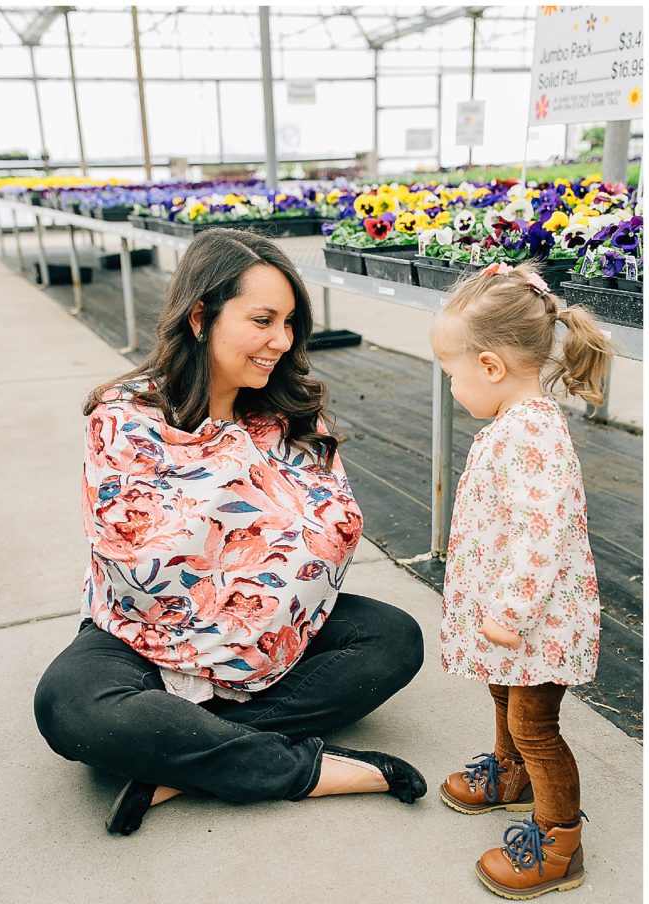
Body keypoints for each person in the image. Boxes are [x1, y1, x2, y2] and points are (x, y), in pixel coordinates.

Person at [34, 227, 426, 836]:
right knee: (69, 707)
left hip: (272, 626)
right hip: (144, 633)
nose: (282, 341)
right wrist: (242, 478)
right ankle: (302, 770)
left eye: (290, 322)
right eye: (264, 320)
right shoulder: (125, 418)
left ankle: (184, 759)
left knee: (393, 639)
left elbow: (333, 529)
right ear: (200, 316)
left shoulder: (288, 414)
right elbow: (138, 558)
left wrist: (251, 533)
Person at [432, 259, 612, 899]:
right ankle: (512, 776)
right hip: (516, 620)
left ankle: (560, 841)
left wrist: (509, 613)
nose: (452, 388)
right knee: (506, 699)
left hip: (534, 622)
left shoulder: (533, 435)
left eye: (452, 375)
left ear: (490, 366)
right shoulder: (514, 426)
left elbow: (543, 532)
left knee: (537, 725)